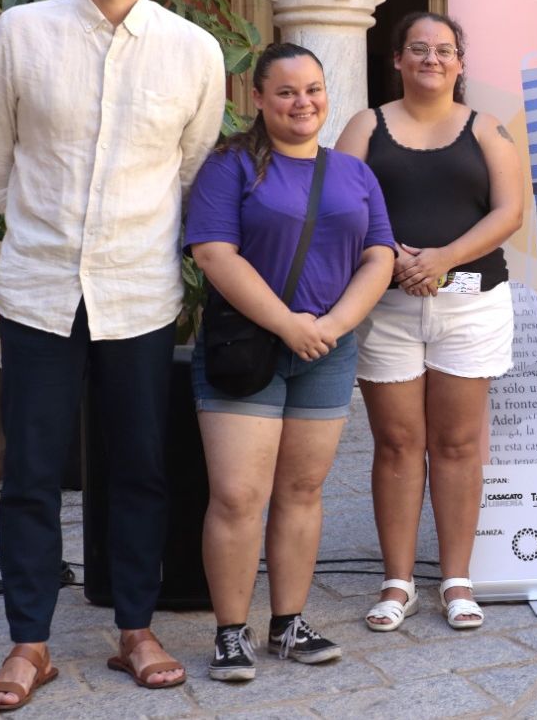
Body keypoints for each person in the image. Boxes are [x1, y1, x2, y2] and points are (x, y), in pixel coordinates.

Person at [0, 0, 225, 709]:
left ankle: (136, 629)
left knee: (142, 468)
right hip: (40, 291)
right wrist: (43, 225)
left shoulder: (194, 51)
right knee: (33, 471)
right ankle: (29, 645)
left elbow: (191, 174)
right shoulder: (20, 32)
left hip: (140, 295)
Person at [186, 43, 396, 680]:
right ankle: (230, 631)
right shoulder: (231, 165)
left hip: (325, 352)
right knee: (237, 496)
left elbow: (379, 256)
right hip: (247, 349)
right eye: (286, 92)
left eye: (313, 90)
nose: (302, 103)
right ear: (258, 98)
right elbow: (214, 254)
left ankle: (288, 622)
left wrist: (330, 326)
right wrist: (288, 324)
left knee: (303, 492)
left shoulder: (354, 172)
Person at [335, 11, 523, 633]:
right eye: (418, 49)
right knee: (395, 444)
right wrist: (397, 258)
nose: (431, 59)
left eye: (444, 50)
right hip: (384, 304)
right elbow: (340, 207)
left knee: (458, 443)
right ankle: (397, 582)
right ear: (397, 59)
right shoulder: (366, 125)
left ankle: (457, 581)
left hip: (471, 300)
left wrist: (442, 259)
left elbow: (509, 212)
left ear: (461, 64)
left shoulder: (487, 127)